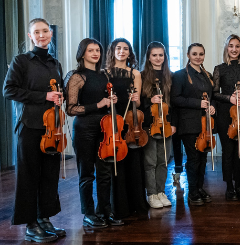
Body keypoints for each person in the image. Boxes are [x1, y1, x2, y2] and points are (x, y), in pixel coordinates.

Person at [3, 18, 65, 242]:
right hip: (29, 126)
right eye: (36, 32)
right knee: (29, 176)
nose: (42, 35)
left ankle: (45, 218)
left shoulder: (55, 63)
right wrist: (44, 96)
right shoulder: (21, 61)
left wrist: (59, 97)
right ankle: (30, 224)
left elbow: (59, 91)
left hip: (52, 128)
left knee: (49, 175)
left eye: (45, 31)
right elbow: (8, 90)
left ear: (50, 34)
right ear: (30, 36)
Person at [65, 38, 116, 229]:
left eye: (97, 50)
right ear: (82, 53)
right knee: (86, 173)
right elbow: (70, 108)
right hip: (84, 128)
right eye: (90, 50)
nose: (95, 53)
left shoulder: (104, 75)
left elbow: (105, 100)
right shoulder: (76, 76)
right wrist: (99, 104)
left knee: (104, 172)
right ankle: (88, 213)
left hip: (104, 127)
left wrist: (111, 100)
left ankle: (106, 211)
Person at [105, 38, 147, 220]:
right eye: (118, 48)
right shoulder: (104, 73)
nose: (122, 51)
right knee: (116, 163)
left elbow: (137, 102)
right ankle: (118, 207)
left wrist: (135, 97)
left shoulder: (135, 74)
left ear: (130, 53)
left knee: (133, 162)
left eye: (126, 49)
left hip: (130, 122)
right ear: (112, 51)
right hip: (112, 121)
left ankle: (136, 204)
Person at [172, 43, 215, 206]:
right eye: (194, 54)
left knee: (203, 157)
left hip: (205, 124)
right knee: (194, 158)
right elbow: (175, 99)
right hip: (188, 124)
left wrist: (211, 107)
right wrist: (198, 103)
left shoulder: (207, 75)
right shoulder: (180, 75)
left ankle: (200, 187)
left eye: (201, 54)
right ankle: (192, 191)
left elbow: (212, 97)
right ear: (188, 55)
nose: (198, 57)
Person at [212, 35, 240, 201]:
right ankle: (229, 186)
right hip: (225, 115)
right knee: (228, 151)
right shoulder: (219, 68)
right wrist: (230, 98)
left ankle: (238, 185)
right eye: (231, 46)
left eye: (237, 46)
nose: (234, 49)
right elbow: (214, 93)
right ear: (226, 48)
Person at [139, 42, 176, 210]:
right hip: (149, 124)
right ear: (148, 57)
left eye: (161, 55)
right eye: (154, 55)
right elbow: (137, 103)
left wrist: (173, 123)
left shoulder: (170, 76)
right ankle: (151, 194)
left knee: (163, 161)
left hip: (166, 124)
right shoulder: (141, 76)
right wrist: (149, 101)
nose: (158, 58)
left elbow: (173, 103)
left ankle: (161, 192)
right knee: (150, 161)